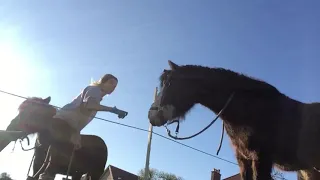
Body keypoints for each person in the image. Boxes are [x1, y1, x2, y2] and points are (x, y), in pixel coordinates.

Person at [53, 73, 128, 149]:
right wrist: (113, 110)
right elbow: (89, 105)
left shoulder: (97, 97)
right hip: (62, 123)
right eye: (111, 83)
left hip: (69, 127)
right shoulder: (94, 89)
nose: (113, 87)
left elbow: (81, 115)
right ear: (103, 82)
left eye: (115, 86)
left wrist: (77, 133)